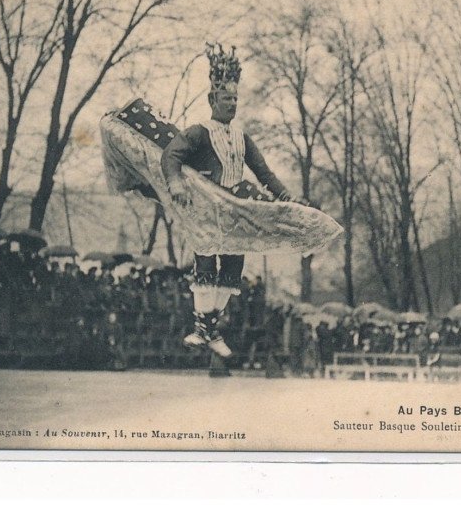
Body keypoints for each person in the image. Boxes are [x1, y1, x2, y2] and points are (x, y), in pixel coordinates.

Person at [100, 42, 342, 369]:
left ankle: (210, 330)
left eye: (235, 99)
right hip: (205, 203)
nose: (232, 104)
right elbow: (172, 154)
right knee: (205, 262)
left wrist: (286, 199)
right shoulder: (200, 133)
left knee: (232, 268)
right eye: (226, 98)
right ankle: (205, 328)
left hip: (234, 205)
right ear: (212, 100)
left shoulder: (242, 138)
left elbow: (264, 172)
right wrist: (175, 183)